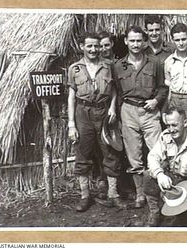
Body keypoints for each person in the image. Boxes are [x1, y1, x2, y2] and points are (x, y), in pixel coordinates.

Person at [67, 32, 124, 212]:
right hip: (83, 113)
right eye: (89, 46)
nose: (93, 49)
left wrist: (113, 108)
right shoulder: (75, 69)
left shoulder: (108, 66)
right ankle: (84, 196)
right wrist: (71, 124)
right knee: (83, 154)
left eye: (96, 46)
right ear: (82, 47)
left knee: (110, 152)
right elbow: (71, 98)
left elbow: (114, 91)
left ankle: (113, 194)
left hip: (104, 112)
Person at [114, 26, 168, 209]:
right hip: (128, 110)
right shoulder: (118, 66)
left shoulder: (154, 63)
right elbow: (118, 92)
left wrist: (156, 101)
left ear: (144, 41)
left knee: (157, 151)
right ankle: (140, 194)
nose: (136, 44)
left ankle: (160, 192)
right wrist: (120, 114)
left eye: (139, 40)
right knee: (134, 156)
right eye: (132, 41)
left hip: (150, 111)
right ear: (126, 42)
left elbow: (163, 88)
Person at [144, 106, 187, 226]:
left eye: (174, 125)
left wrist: (179, 194)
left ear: (185, 123)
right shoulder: (165, 136)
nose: (171, 129)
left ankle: (182, 216)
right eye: (168, 125)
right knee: (148, 175)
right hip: (171, 178)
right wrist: (160, 174)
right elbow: (152, 157)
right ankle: (155, 213)